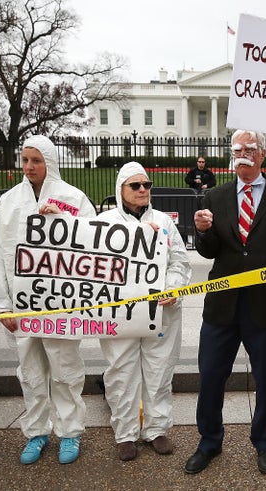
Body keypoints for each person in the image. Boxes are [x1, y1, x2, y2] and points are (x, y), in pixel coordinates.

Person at [184, 129, 266, 475]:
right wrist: (203, 231)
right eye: (237, 148)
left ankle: (264, 441)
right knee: (210, 375)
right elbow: (209, 251)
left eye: (250, 148)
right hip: (222, 305)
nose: (243, 153)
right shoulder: (215, 196)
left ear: (262, 155)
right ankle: (209, 441)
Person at [0, 135, 97, 465]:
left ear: (49, 161)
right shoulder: (9, 202)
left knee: (65, 371)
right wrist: (1, 304)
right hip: (22, 306)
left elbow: (93, 244)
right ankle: (36, 431)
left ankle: (69, 433)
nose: (30, 166)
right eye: (25, 160)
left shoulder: (72, 198)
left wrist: (62, 220)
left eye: (36, 160)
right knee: (31, 372)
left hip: (61, 304)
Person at [98, 162, 192, 461]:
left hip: (161, 312)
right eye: (135, 186)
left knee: (159, 370)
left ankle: (157, 429)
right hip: (120, 313)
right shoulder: (104, 221)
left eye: (146, 185)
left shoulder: (165, 222)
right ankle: (125, 434)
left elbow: (179, 261)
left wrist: (173, 287)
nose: (142, 190)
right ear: (121, 189)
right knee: (121, 372)